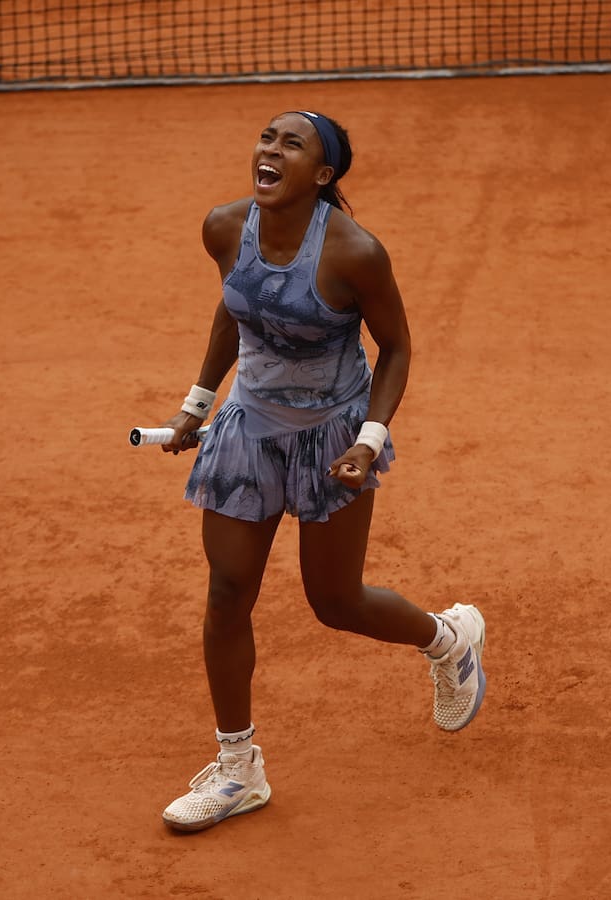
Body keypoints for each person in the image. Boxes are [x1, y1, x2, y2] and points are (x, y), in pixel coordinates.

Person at [157, 110, 486, 832]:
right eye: (266, 138)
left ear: (324, 175)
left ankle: (448, 638)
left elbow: (397, 348)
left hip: (331, 438)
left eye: (291, 145)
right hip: (248, 431)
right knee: (226, 591)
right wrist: (197, 404)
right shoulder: (223, 227)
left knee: (334, 602)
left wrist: (369, 438)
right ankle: (238, 768)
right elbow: (236, 308)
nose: (269, 151)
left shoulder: (354, 253)